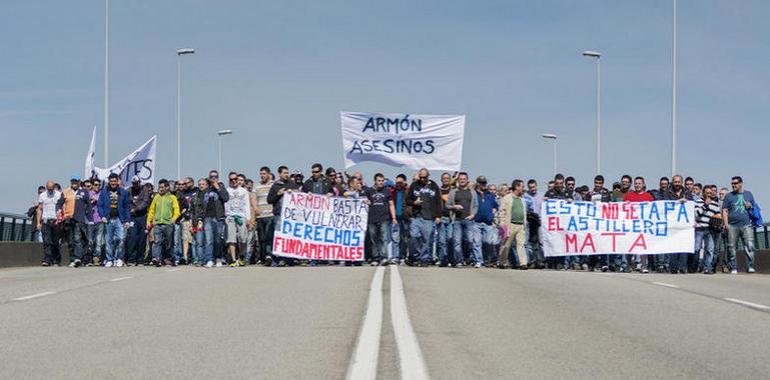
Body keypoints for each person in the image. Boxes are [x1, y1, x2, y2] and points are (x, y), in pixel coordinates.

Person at [406, 168, 442, 266]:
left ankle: (424, 258)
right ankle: (415, 256)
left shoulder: (434, 186)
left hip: (429, 217)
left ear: (428, 176)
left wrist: (438, 216)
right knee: (413, 237)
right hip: (416, 216)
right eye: (421, 177)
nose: (422, 179)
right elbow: (408, 200)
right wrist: (414, 202)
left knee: (426, 239)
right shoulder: (414, 185)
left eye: (424, 177)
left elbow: (438, 201)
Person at [721, 176, 756, 274]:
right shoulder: (728, 196)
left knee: (750, 245)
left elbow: (754, 207)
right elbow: (725, 210)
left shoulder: (748, 194)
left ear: (741, 183)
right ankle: (734, 267)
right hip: (732, 225)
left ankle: (750, 266)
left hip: (746, 224)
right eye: (732, 183)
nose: (733, 185)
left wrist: (750, 206)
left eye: (735, 183)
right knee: (731, 247)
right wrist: (726, 224)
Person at [267, 166, 299, 267]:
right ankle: (280, 258)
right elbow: (269, 200)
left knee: (290, 237)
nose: (286, 174)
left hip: (291, 216)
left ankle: (289, 258)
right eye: (284, 173)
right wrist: (278, 194)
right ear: (279, 174)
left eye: (287, 173)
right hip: (279, 215)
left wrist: (294, 192)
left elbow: (299, 195)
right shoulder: (275, 185)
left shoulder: (292, 184)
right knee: (280, 236)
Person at [97, 173, 131, 267]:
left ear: (118, 181)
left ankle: (119, 258)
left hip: (120, 220)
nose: (113, 183)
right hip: (108, 219)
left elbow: (127, 207)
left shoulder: (123, 192)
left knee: (121, 239)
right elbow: (99, 205)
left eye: (115, 181)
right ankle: (109, 259)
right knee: (108, 241)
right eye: (111, 181)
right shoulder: (104, 192)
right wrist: (102, 216)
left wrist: (127, 220)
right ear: (109, 182)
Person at [446, 172, 478, 267]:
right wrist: (454, 206)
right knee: (457, 242)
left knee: (469, 241)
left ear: (467, 180)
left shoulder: (472, 192)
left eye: (464, 179)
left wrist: (473, 214)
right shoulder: (453, 192)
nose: (462, 180)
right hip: (457, 220)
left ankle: (467, 257)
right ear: (458, 180)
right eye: (460, 179)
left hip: (469, 220)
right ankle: (459, 261)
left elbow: (476, 206)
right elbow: (447, 205)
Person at [364, 173, 396, 266]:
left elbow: (391, 204)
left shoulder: (387, 191)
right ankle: (375, 258)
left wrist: (393, 217)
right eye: (379, 181)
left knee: (383, 239)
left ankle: (384, 257)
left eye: (382, 181)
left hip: (384, 218)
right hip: (372, 218)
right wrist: (367, 202)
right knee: (373, 239)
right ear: (375, 181)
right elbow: (364, 201)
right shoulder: (369, 191)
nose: (381, 183)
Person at [147, 179, 180, 267]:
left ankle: (169, 259)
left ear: (167, 187)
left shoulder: (172, 197)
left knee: (169, 243)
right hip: (157, 223)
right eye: (159, 187)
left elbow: (177, 210)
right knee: (157, 242)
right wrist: (148, 221)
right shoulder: (156, 197)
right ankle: (156, 259)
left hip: (168, 223)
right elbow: (151, 210)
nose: (160, 189)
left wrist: (174, 218)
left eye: (162, 187)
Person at [624, 176, 654, 273]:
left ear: (643, 184)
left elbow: (654, 210)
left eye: (639, 183)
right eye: (636, 183)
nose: (637, 185)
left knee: (643, 247)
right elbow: (621, 209)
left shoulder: (648, 197)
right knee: (630, 246)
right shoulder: (629, 196)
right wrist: (626, 204)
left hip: (643, 226)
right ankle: (628, 265)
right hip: (631, 226)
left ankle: (643, 265)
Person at [200, 172, 229, 268]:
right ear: (209, 178)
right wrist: (201, 218)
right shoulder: (205, 191)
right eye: (211, 177)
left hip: (218, 217)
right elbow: (201, 205)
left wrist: (218, 188)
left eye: (215, 176)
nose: (213, 178)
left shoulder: (221, 188)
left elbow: (226, 198)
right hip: (207, 217)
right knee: (208, 240)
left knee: (218, 240)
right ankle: (209, 259)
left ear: (218, 178)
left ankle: (218, 258)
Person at [498, 179, 529, 269]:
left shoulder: (522, 200)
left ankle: (523, 263)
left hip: (520, 225)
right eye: (522, 186)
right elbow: (502, 211)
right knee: (506, 244)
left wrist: (524, 223)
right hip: (510, 224)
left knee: (521, 244)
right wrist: (502, 223)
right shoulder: (507, 198)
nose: (523, 188)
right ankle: (502, 262)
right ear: (517, 187)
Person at [63, 175, 92, 268]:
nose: (74, 184)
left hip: (79, 219)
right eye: (72, 182)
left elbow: (89, 206)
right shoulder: (66, 191)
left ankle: (77, 258)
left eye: (76, 182)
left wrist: (90, 218)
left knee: (77, 239)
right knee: (70, 241)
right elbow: (59, 203)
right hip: (68, 218)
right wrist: (58, 210)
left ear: (79, 182)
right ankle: (72, 259)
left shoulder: (84, 192)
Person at [225, 172, 251, 267]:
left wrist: (248, 218)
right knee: (231, 239)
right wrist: (226, 216)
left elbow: (247, 204)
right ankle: (233, 259)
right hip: (230, 217)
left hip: (241, 216)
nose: (234, 181)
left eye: (235, 179)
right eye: (231, 179)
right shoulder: (227, 190)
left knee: (243, 238)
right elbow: (225, 204)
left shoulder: (243, 191)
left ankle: (242, 256)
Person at [473, 175, 499, 266]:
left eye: (485, 182)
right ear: (478, 183)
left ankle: (487, 259)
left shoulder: (490, 195)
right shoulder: (474, 194)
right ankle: (478, 260)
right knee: (476, 242)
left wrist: (494, 209)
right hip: (476, 221)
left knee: (487, 242)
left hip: (488, 222)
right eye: (482, 183)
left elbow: (495, 205)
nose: (484, 184)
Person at [37, 180, 63, 266]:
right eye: (49, 189)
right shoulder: (42, 195)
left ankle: (56, 259)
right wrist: (38, 222)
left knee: (55, 241)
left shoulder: (59, 195)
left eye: (51, 189)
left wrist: (62, 218)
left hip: (56, 220)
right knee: (47, 241)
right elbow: (39, 209)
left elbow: (64, 206)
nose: (50, 190)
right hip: (46, 220)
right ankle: (47, 259)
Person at [695, 185, 720, 274]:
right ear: (703, 193)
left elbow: (718, 216)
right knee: (697, 248)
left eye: (710, 193)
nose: (709, 195)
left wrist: (717, 223)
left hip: (709, 229)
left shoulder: (715, 204)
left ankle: (707, 267)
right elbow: (696, 214)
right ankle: (696, 266)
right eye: (707, 193)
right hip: (699, 228)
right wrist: (705, 205)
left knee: (710, 249)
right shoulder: (697, 202)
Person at [127, 176, 151, 265]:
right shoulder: (129, 190)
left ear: (139, 182)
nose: (135, 185)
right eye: (134, 184)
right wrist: (131, 210)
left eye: (136, 183)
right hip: (133, 217)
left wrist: (136, 209)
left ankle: (140, 258)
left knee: (142, 238)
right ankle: (131, 258)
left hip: (142, 217)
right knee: (133, 237)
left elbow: (145, 202)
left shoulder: (144, 190)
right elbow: (127, 202)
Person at [254, 167, 275, 265]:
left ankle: (269, 255)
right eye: (261, 174)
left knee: (269, 236)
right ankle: (263, 257)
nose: (262, 176)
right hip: (260, 216)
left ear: (268, 174)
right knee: (261, 238)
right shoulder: (257, 186)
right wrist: (255, 208)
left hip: (270, 214)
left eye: (264, 174)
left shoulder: (273, 185)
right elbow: (254, 199)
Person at [390, 174, 411, 265]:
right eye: (397, 182)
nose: (398, 184)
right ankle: (395, 257)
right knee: (395, 239)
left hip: (405, 218)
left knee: (404, 239)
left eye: (400, 182)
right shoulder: (392, 192)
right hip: (395, 219)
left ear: (404, 182)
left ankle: (402, 256)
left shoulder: (408, 192)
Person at [524, 179, 545, 268]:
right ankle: (531, 260)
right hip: (529, 221)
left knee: (541, 242)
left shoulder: (542, 195)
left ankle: (541, 260)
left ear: (536, 186)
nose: (532, 189)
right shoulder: (525, 196)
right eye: (530, 187)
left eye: (534, 187)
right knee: (530, 243)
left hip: (540, 221)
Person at [436, 172, 454, 267]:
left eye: (447, 178)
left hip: (451, 218)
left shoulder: (454, 191)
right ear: (441, 180)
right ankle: (443, 259)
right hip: (441, 217)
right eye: (444, 178)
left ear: (450, 180)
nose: (446, 180)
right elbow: (434, 204)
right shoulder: (438, 191)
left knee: (450, 240)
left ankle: (451, 259)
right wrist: (436, 216)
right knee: (441, 241)